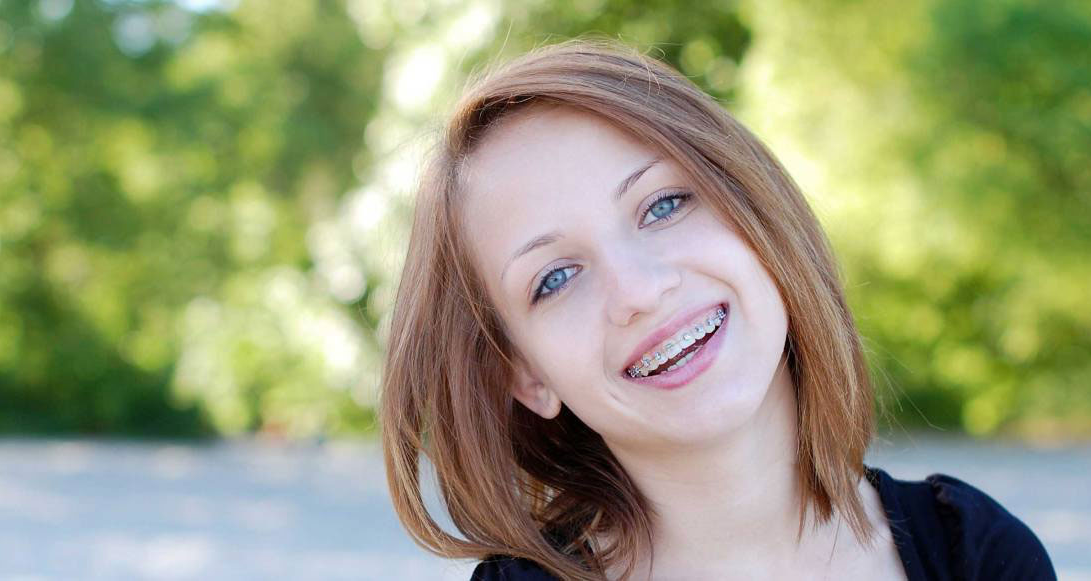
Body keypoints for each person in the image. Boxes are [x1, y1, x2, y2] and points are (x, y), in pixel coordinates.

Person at [378, 39, 1056, 580]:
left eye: (663, 205)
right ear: (526, 375)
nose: (639, 290)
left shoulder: (977, 554)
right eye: (556, 277)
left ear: (756, 214)